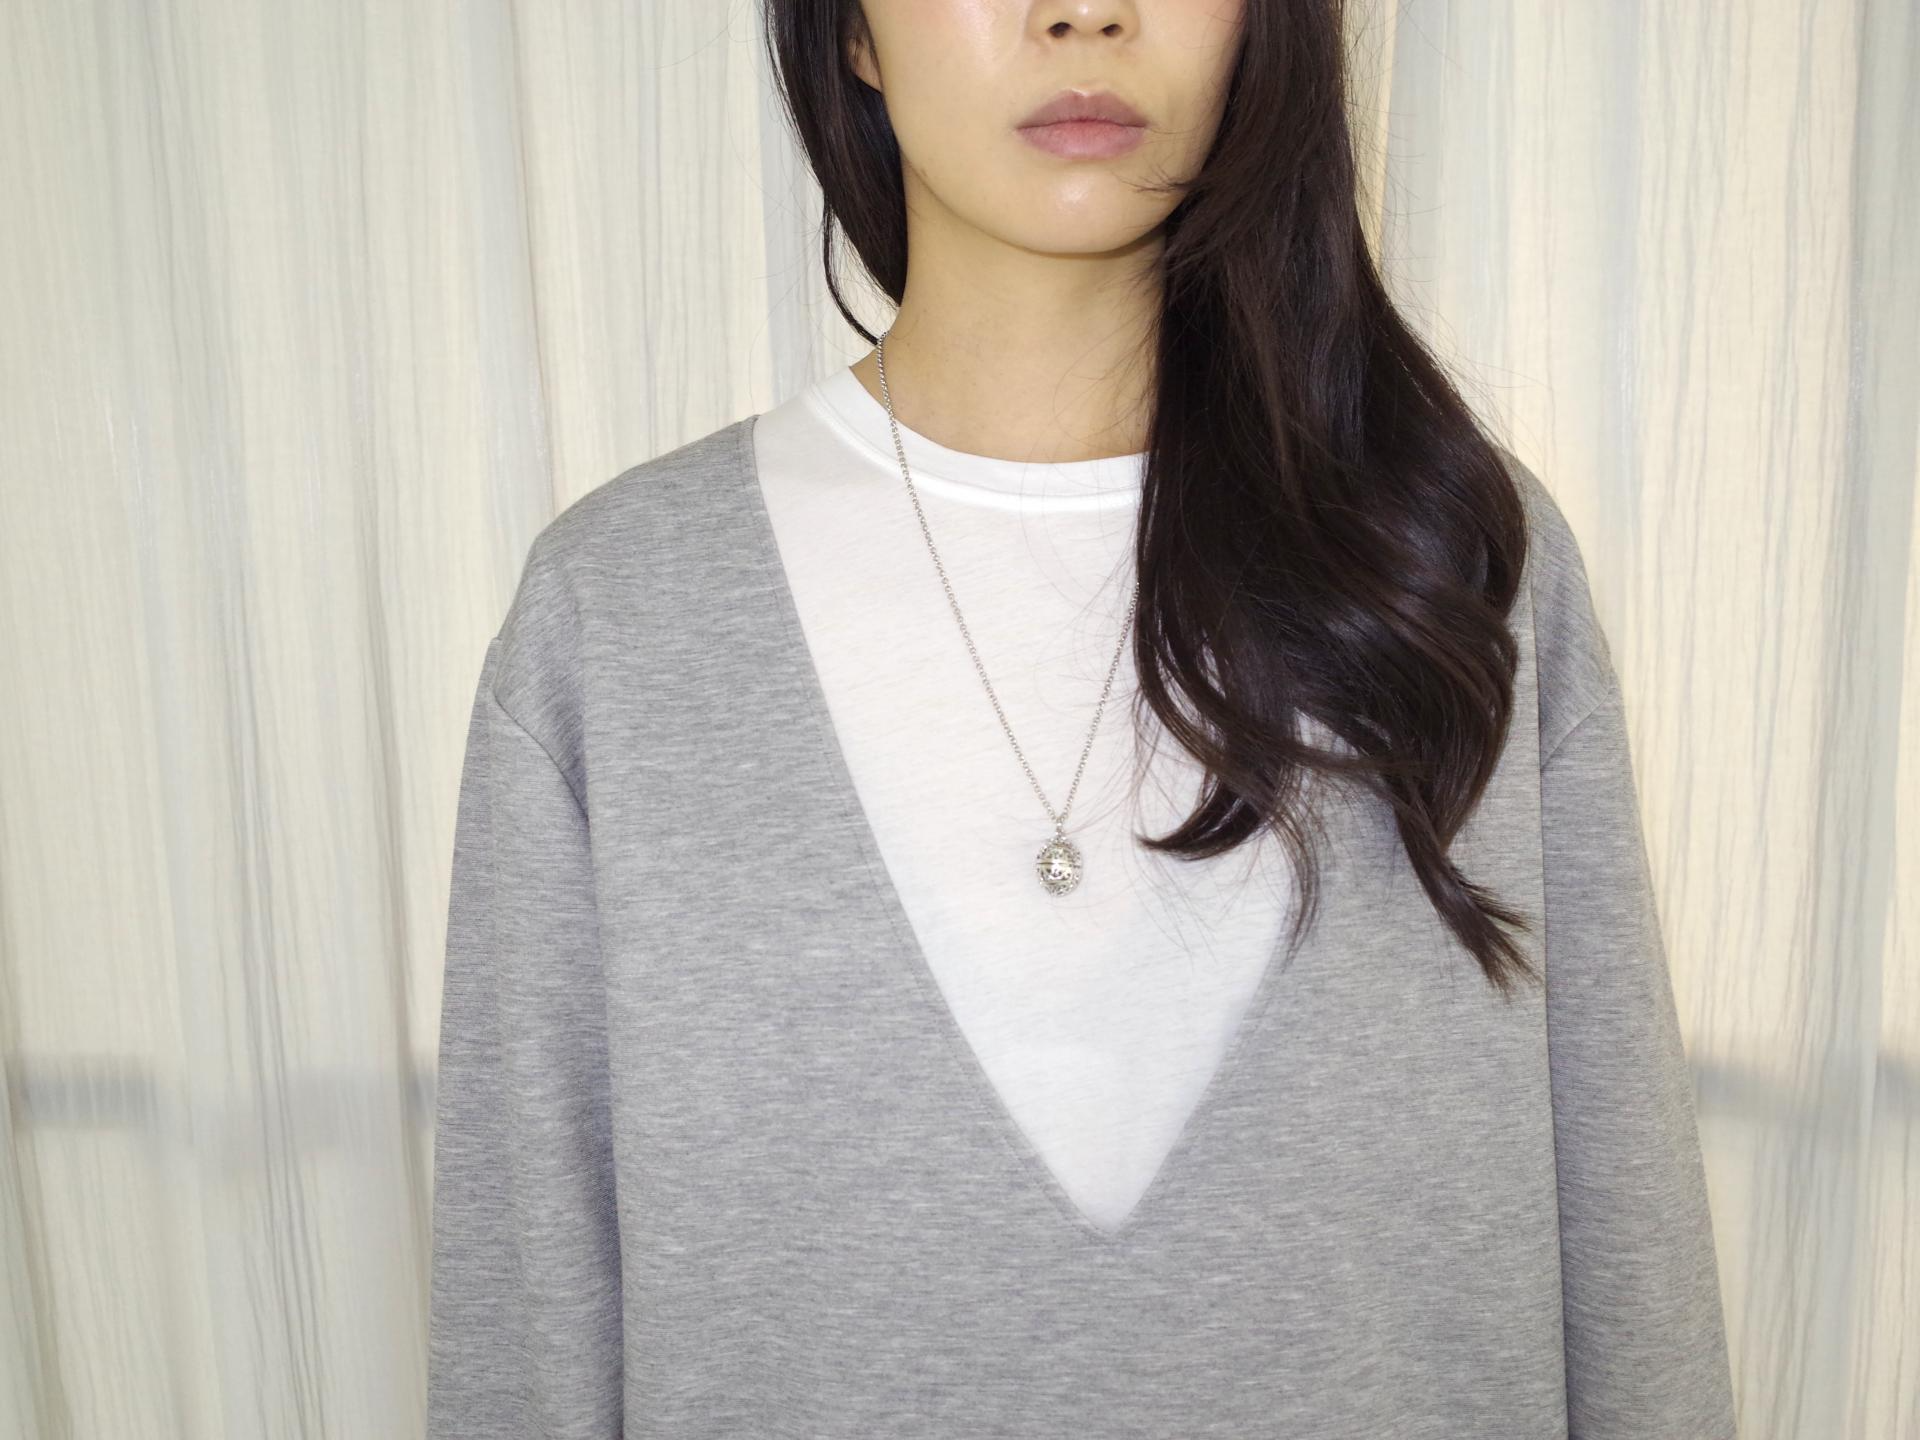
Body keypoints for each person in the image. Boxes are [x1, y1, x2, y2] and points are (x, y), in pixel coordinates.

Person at [426, 2, 1740, 1436]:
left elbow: (1633, 1267)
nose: (1085, 11)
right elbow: (525, 1325)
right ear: (851, 32)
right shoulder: (620, 611)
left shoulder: (1455, 571)